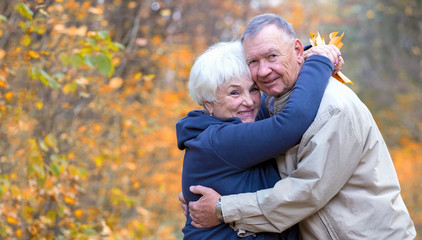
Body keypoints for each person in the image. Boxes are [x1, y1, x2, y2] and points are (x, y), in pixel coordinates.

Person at [186, 14, 416, 239]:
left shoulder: (332, 108)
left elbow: (306, 193)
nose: (263, 71)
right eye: (253, 62)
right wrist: (202, 194)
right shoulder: (273, 103)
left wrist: (222, 209)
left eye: (272, 56)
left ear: (297, 51)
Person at [177, 39, 340, 239]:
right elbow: (292, 122)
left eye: (253, 89)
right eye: (234, 92)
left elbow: (276, 94)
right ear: (208, 102)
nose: (248, 101)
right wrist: (319, 62)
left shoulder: (238, 121)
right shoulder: (221, 140)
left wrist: (302, 54)